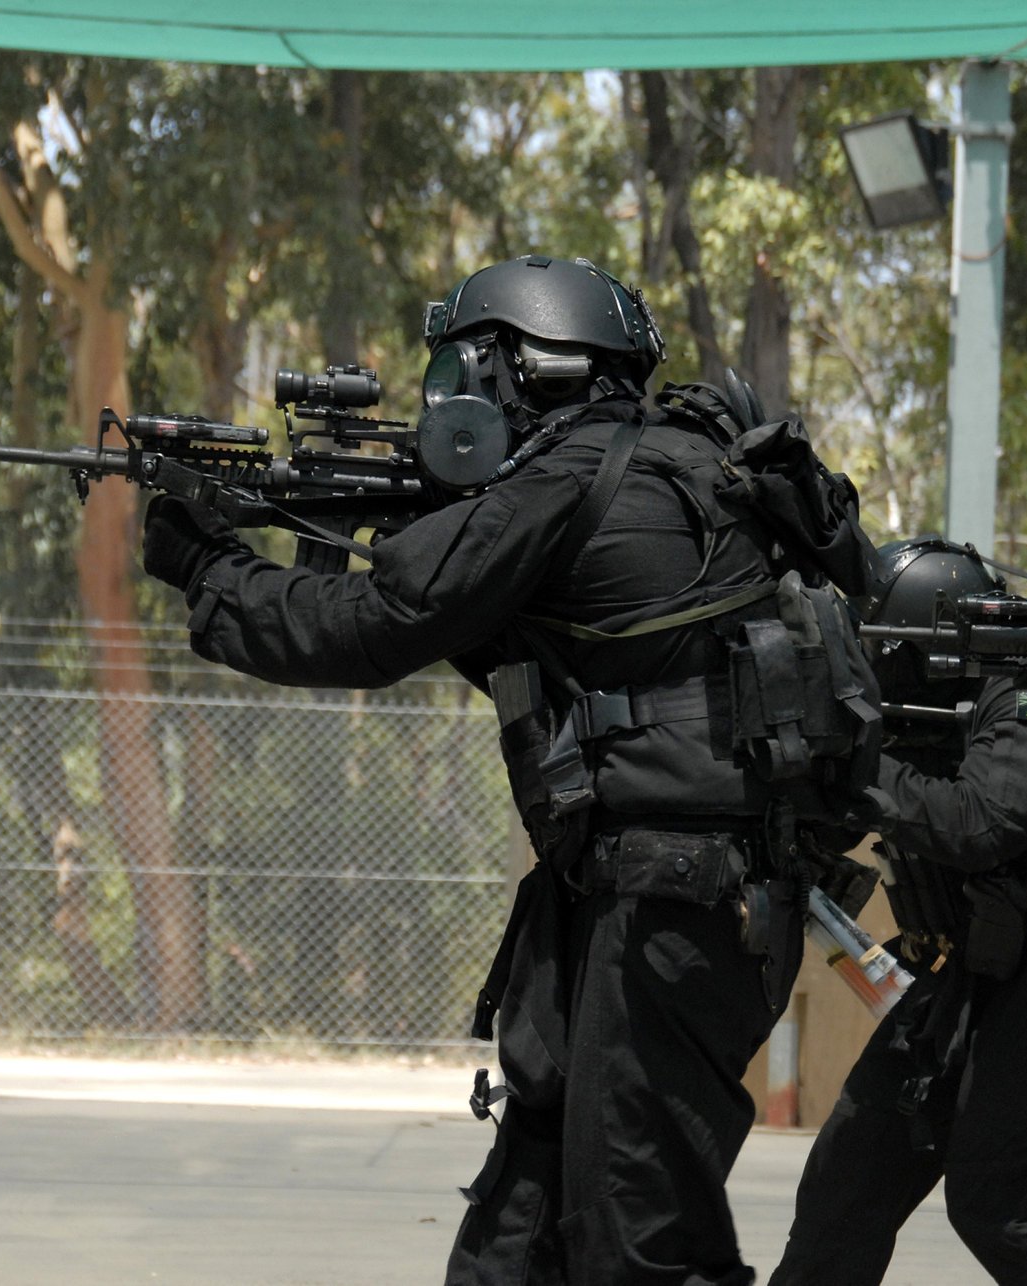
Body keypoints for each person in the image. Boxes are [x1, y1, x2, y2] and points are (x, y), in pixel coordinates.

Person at [138, 254, 877, 1285]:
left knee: (640, 1245)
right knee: (521, 1231)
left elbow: (380, 624)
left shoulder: (571, 479)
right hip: (666, 900)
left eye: (462, 371)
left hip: (672, 906)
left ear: (516, 367)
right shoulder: (686, 461)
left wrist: (210, 568)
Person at [770, 539, 1027, 1286]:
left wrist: (861, 765)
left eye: (886, 649)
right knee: (846, 1186)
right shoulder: (930, 716)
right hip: (962, 972)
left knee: (1004, 1207)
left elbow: (983, 820)